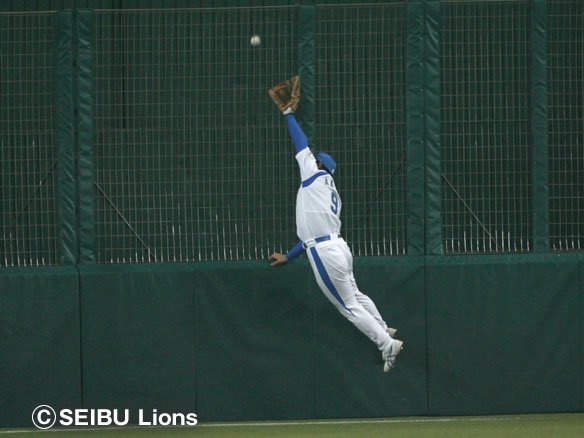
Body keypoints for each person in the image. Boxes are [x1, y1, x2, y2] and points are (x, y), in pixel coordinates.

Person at [269, 106, 404, 373]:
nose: (312, 160)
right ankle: (382, 326)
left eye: (316, 160)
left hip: (325, 252)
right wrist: (288, 256)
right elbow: (310, 235)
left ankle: (387, 344)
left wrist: (288, 114)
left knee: (348, 307)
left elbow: (301, 144)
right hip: (337, 247)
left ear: (320, 165)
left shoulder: (313, 174)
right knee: (355, 295)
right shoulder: (331, 193)